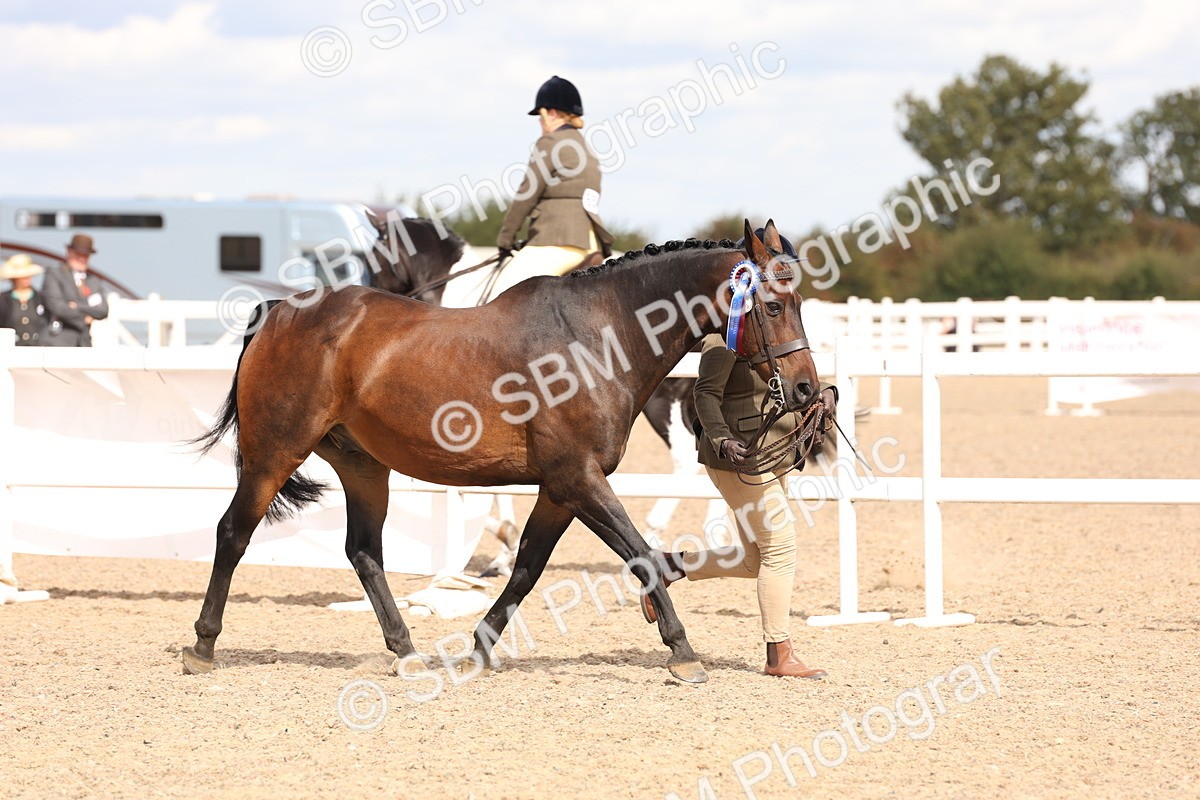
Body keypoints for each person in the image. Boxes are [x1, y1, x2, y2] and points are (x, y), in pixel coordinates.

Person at [642, 235, 836, 680]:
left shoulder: (773, 331)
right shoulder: (728, 333)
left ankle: (668, 567)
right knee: (781, 547)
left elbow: (784, 387)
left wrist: (822, 398)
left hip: (770, 452)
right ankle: (779, 653)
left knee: (755, 559)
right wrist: (723, 438)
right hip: (738, 458)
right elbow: (705, 394)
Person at [487, 75, 613, 300]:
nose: (539, 122)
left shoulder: (550, 143)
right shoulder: (585, 147)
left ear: (552, 113)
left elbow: (526, 194)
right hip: (592, 243)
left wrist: (505, 239)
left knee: (502, 295)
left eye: (540, 116)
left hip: (559, 241)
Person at [42, 233, 109, 347]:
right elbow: (57, 307)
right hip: (57, 342)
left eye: (85, 255)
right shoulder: (54, 274)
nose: (81, 258)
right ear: (69, 252)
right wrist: (85, 319)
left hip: (83, 343)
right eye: (78, 254)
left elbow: (103, 310)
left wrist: (77, 306)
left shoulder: (93, 281)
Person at [0, 254, 49, 345]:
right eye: (23, 275)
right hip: (12, 351)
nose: (27, 278)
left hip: (37, 349)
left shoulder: (40, 298)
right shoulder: (3, 300)